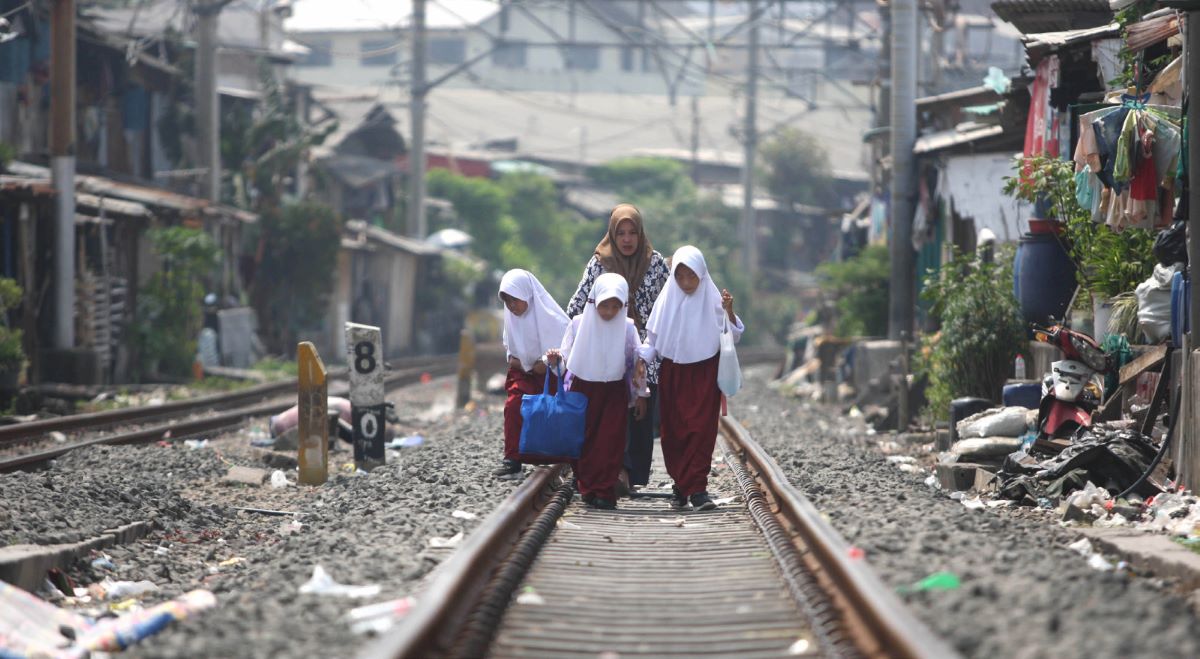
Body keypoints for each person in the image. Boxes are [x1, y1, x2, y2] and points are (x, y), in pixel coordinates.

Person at [566, 204, 669, 494]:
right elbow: (577, 306)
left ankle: (631, 474)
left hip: (645, 353)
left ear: (640, 234)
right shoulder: (599, 263)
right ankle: (611, 471)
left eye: (632, 233)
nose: (626, 239)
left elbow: (668, 305)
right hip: (604, 352)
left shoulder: (656, 263)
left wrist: (655, 344)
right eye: (621, 233)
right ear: (612, 234)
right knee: (606, 416)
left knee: (639, 415)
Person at [639, 246, 743, 511]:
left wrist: (729, 311)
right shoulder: (667, 301)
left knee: (701, 431)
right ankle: (680, 484)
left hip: (704, 375)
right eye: (681, 277)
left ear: (702, 275)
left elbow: (733, 335)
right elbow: (653, 341)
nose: (686, 283)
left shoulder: (713, 301)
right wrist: (639, 362)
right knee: (673, 432)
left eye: (691, 277)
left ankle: (697, 488)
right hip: (673, 374)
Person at [548, 273, 649, 510]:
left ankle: (604, 490)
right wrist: (554, 360)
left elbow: (637, 363)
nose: (609, 312)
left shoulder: (627, 328)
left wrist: (642, 395)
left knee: (611, 441)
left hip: (614, 391)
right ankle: (588, 486)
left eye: (616, 306)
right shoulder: (578, 324)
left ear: (624, 305)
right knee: (585, 440)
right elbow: (565, 363)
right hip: (582, 389)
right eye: (604, 305)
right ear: (594, 301)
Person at [494, 269, 570, 480]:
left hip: (550, 376)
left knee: (552, 412)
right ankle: (513, 460)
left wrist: (546, 364)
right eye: (507, 301)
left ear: (528, 295)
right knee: (514, 406)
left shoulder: (555, 320)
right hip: (523, 374)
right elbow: (511, 353)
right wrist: (526, 365)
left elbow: (567, 353)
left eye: (515, 300)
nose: (511, 306)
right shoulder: (510, 319)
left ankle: (562, 456)